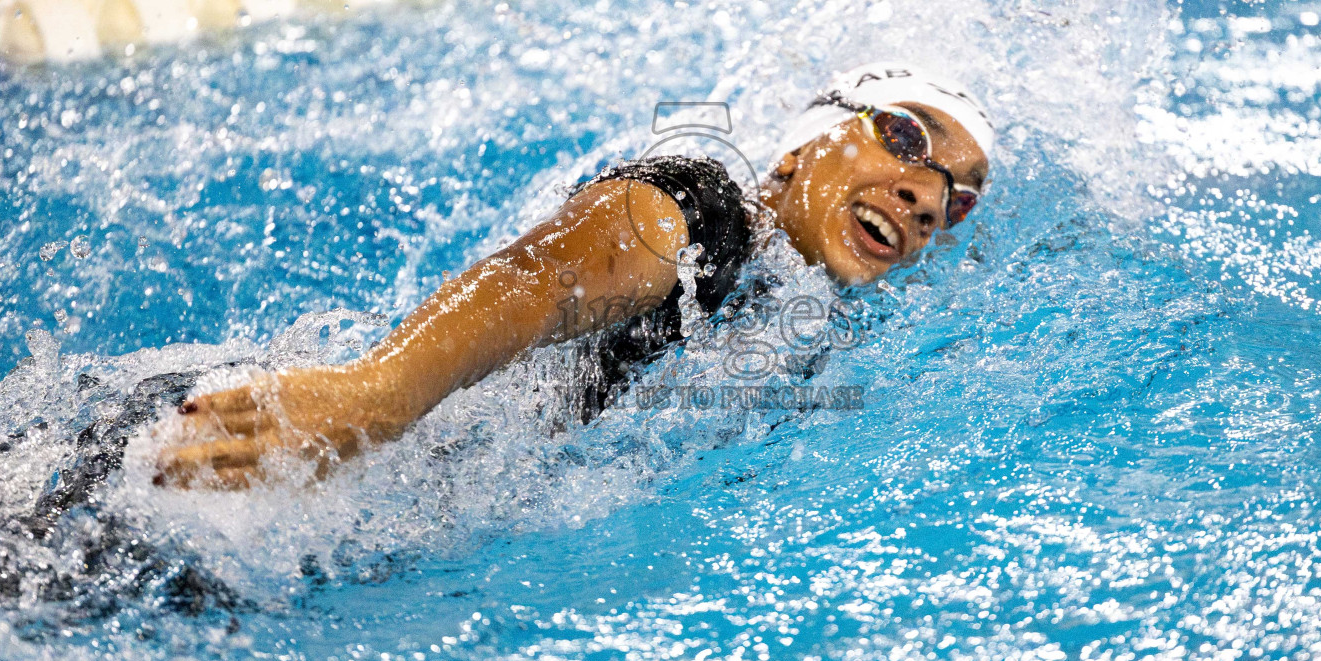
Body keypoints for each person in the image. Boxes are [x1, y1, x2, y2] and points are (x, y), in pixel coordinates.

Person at [152, 61, 995, 489]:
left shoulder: (814, 330)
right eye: (907, 138)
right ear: (802, 148)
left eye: (957, 202)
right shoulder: (706, 210)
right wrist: (378, 393)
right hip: (254, 434)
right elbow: (547, 276)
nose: (927, 193)